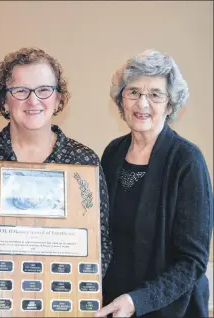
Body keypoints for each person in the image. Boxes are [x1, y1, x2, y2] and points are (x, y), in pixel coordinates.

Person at [0, 47, 113, 277]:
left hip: (60, 296)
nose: (33, 100)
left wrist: (80, 290)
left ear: (58, 99)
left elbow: (101, 241)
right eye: (20, 91)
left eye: (44, 90)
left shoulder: (84, 161)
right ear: (4, 102)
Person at [95, 49, 213, 317]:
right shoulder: (112, 152)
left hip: (169, 309)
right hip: (114, 304)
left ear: (170, 104)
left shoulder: (187, 160)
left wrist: (138, 300)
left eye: (155, 95)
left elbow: (192, 262)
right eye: (133, 92)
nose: (142, 104)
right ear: (121, 99)